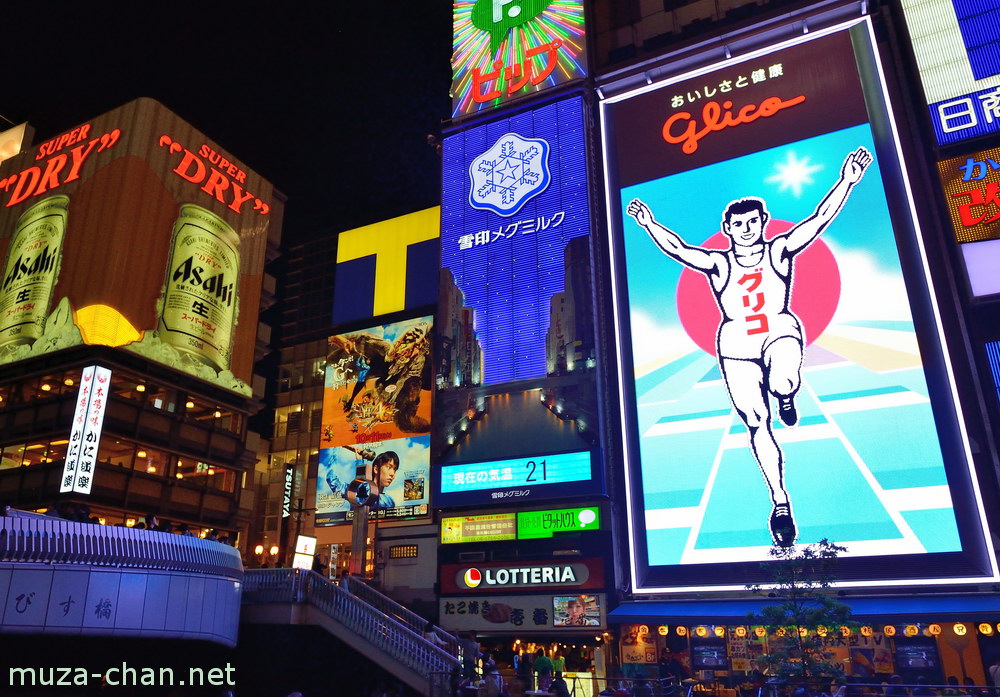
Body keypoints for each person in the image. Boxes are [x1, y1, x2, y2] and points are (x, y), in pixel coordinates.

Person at [626, 146, 872, 546]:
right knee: (757, 422)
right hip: (736, 344)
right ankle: (779, 501)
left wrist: (846, 180)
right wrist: (648, 223)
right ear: (728, 228)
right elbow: (679, 249)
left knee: (783, 378)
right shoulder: (719, 263)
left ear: (763, 222)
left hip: (778, 330)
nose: (745, 228)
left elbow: (819, 219)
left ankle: (786, 394)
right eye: (737, 223)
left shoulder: (779, 249)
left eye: (752, 221)